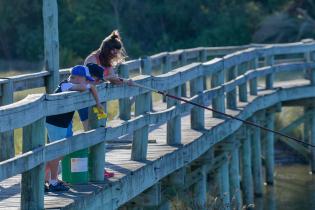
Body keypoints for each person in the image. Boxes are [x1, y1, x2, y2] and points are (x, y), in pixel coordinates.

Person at [45, 65, 101, 192]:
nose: (87, 82)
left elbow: (87, 86)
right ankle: (52, 181)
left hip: (63, 122)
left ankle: (45, 179)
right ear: (79, 78)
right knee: (57, 152)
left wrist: (97, 103)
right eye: (85, 79)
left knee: (61, 152)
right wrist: (89, 86)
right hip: (55, 122)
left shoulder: (73, 84)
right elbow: (83, 87)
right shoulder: (66, 85)